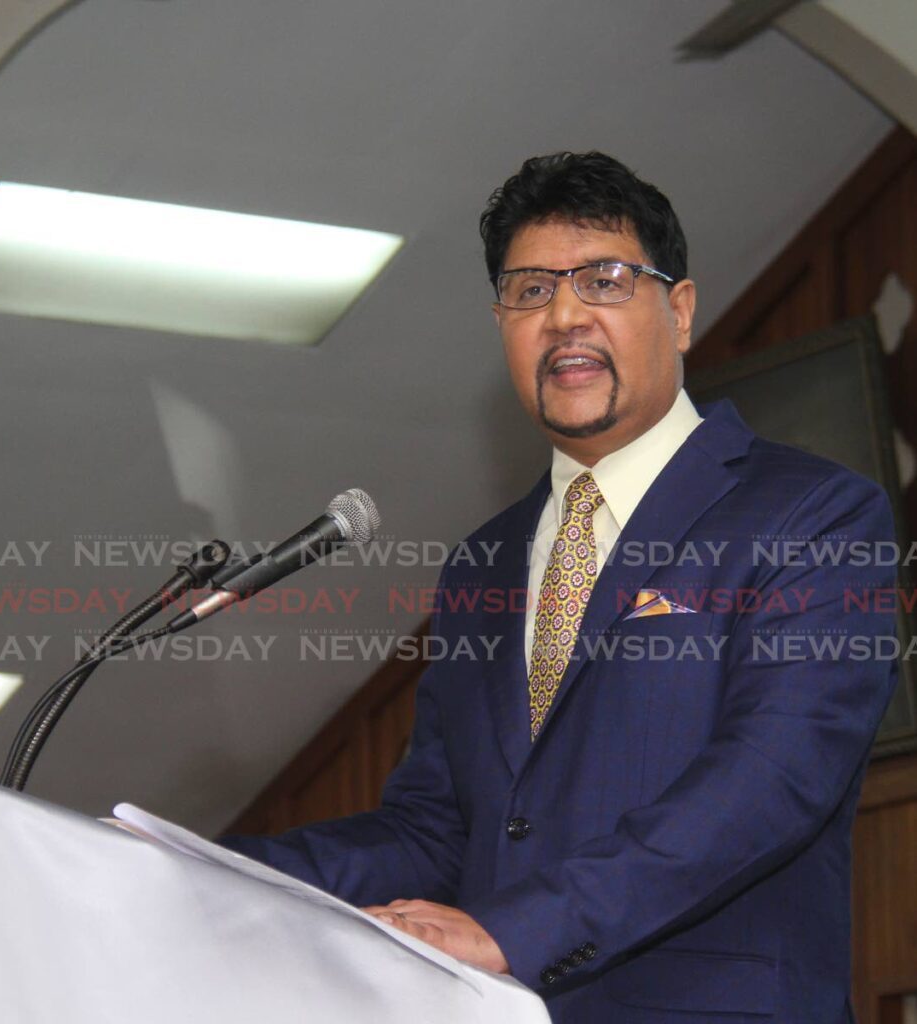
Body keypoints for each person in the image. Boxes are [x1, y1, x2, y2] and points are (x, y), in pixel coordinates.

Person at [222, 152, 898, 1023]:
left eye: (605, 280)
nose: (565, 315)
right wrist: (207, 869)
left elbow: (770, 779)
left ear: (680, 311)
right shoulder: (483, 563)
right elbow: (434, 829)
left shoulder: (810, 513)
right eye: (530, 290)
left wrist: (515, 932)